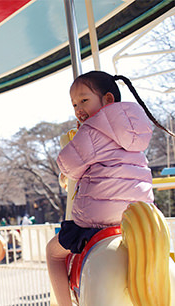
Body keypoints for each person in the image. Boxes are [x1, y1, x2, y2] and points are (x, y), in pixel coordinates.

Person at [46, 71, 174, 306]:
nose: (78, 108)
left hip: (98, 220)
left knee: (53, 252)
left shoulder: (92, 130)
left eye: (84, 100)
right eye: (74, 103)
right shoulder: (137, 131)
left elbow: (67, 164)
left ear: (107, 100)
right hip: (136, 216)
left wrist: (77, 139)